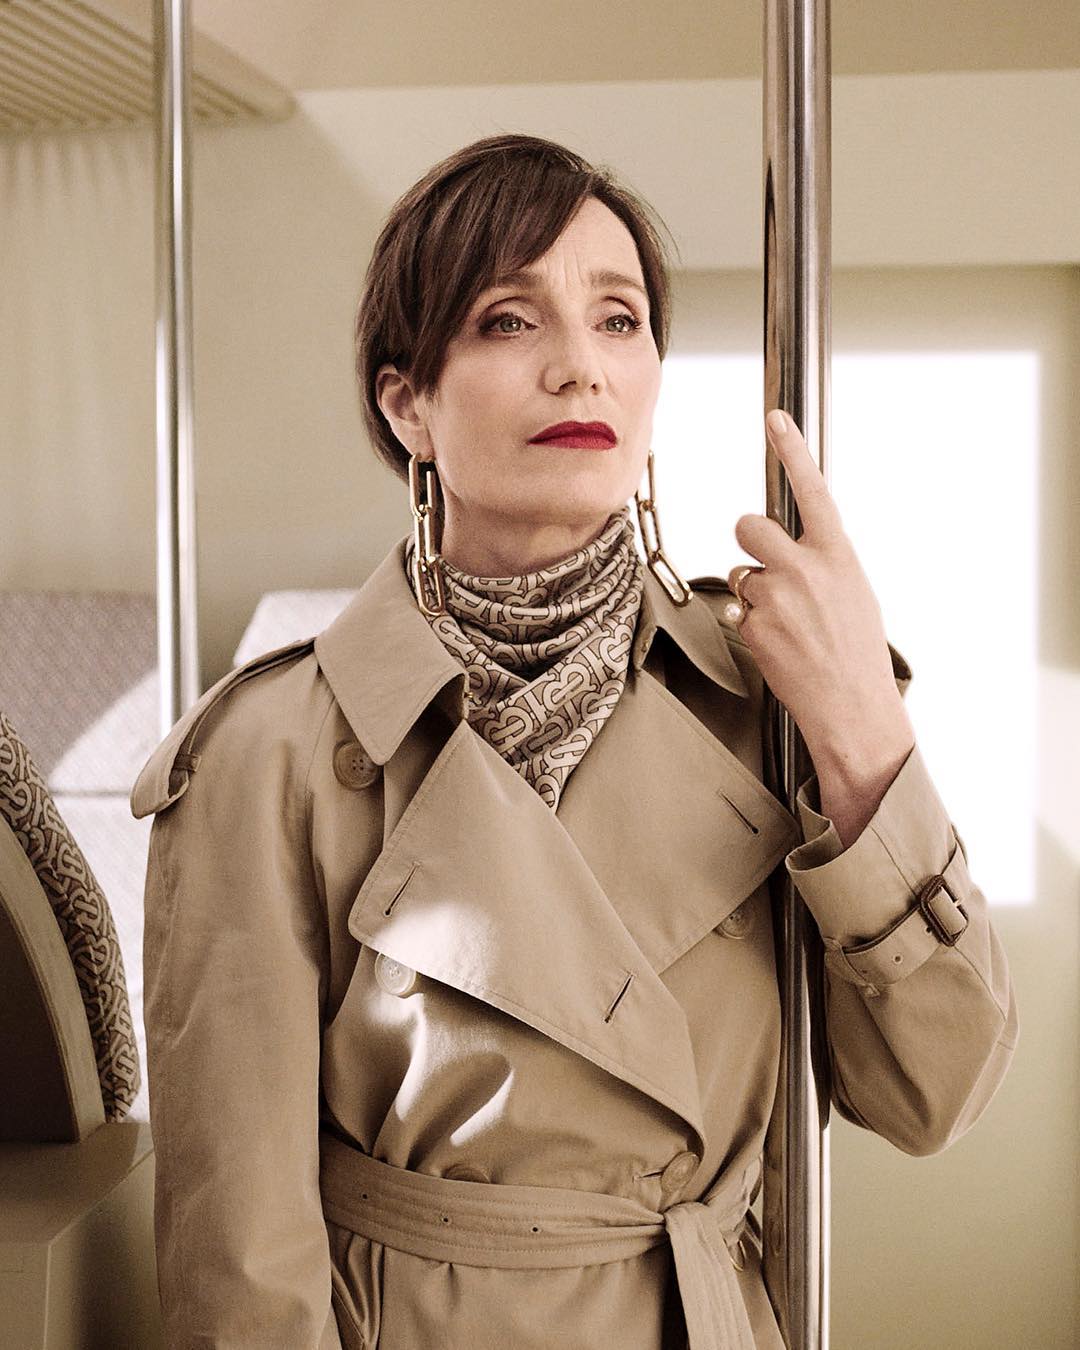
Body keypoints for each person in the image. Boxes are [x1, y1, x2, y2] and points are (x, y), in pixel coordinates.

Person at [131, 132, 1018, 1349]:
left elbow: (936, 1096)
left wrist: (864, 727)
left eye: (619, 320)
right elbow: (240, 1265)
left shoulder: (771, 697)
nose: (580, 369)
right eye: (509, 321)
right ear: (407, 404)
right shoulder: (267, 753)